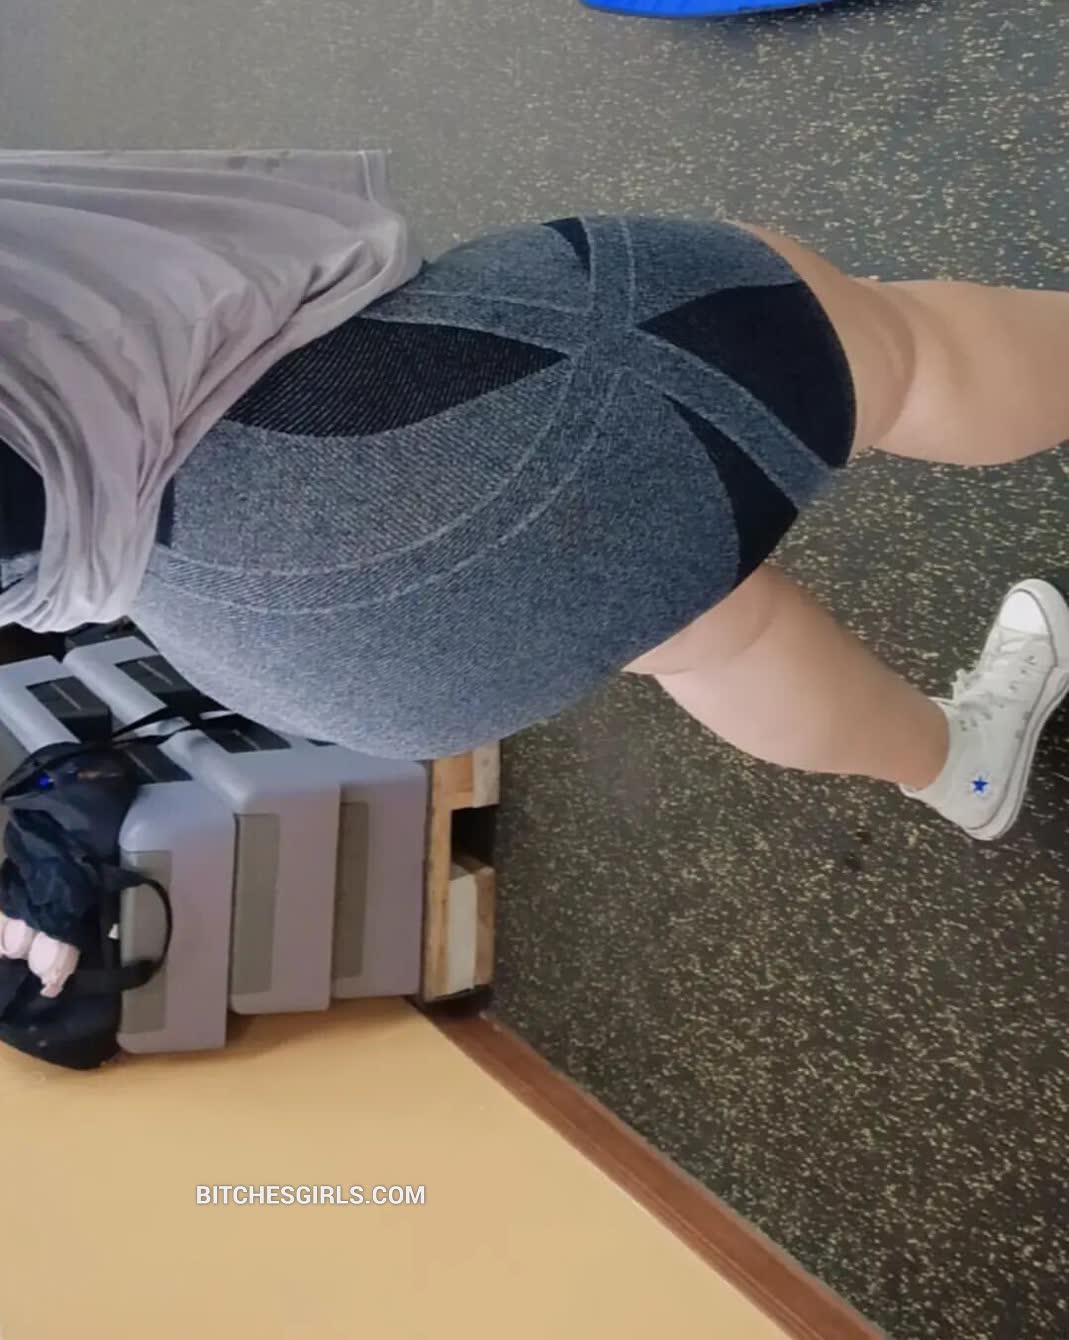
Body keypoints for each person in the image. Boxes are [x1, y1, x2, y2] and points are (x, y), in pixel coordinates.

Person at [0, 152, 1066, 844]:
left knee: (693, 623)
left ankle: (962, 771)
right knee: (870, 346)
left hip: (266, 640)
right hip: (331, 447)